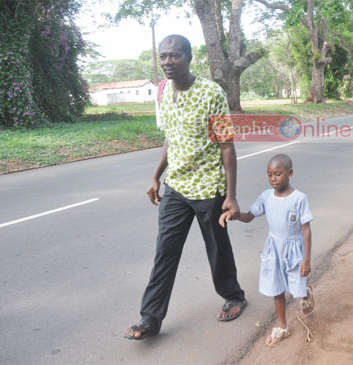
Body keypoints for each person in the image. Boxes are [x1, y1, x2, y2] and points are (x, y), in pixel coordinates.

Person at [125, 34, 247, 340]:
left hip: (208, 188)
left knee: (217, 249)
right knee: (164, 251)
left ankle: (234, 295)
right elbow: (172, 137)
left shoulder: (210, 93)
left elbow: (227, 147)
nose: (168, 62)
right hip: (176, 187)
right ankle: (150, 318)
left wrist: (230, 196)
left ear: (189, 58)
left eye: (175, 56)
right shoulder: (165, 91)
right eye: (163, 56)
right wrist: (156, 175)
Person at [219, 154, 314, 346]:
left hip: (295, 249)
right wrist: (235, 215)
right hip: (273, 250)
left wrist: (306, 260)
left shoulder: (299, 198)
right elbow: (249, 216)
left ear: (290, 173)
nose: (273, 178)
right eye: (269, 174)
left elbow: (306, 229)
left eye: (277, 174)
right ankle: (283, 327)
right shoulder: (265, 196)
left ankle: (305, 293)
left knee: (297, 283)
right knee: (277, 288)